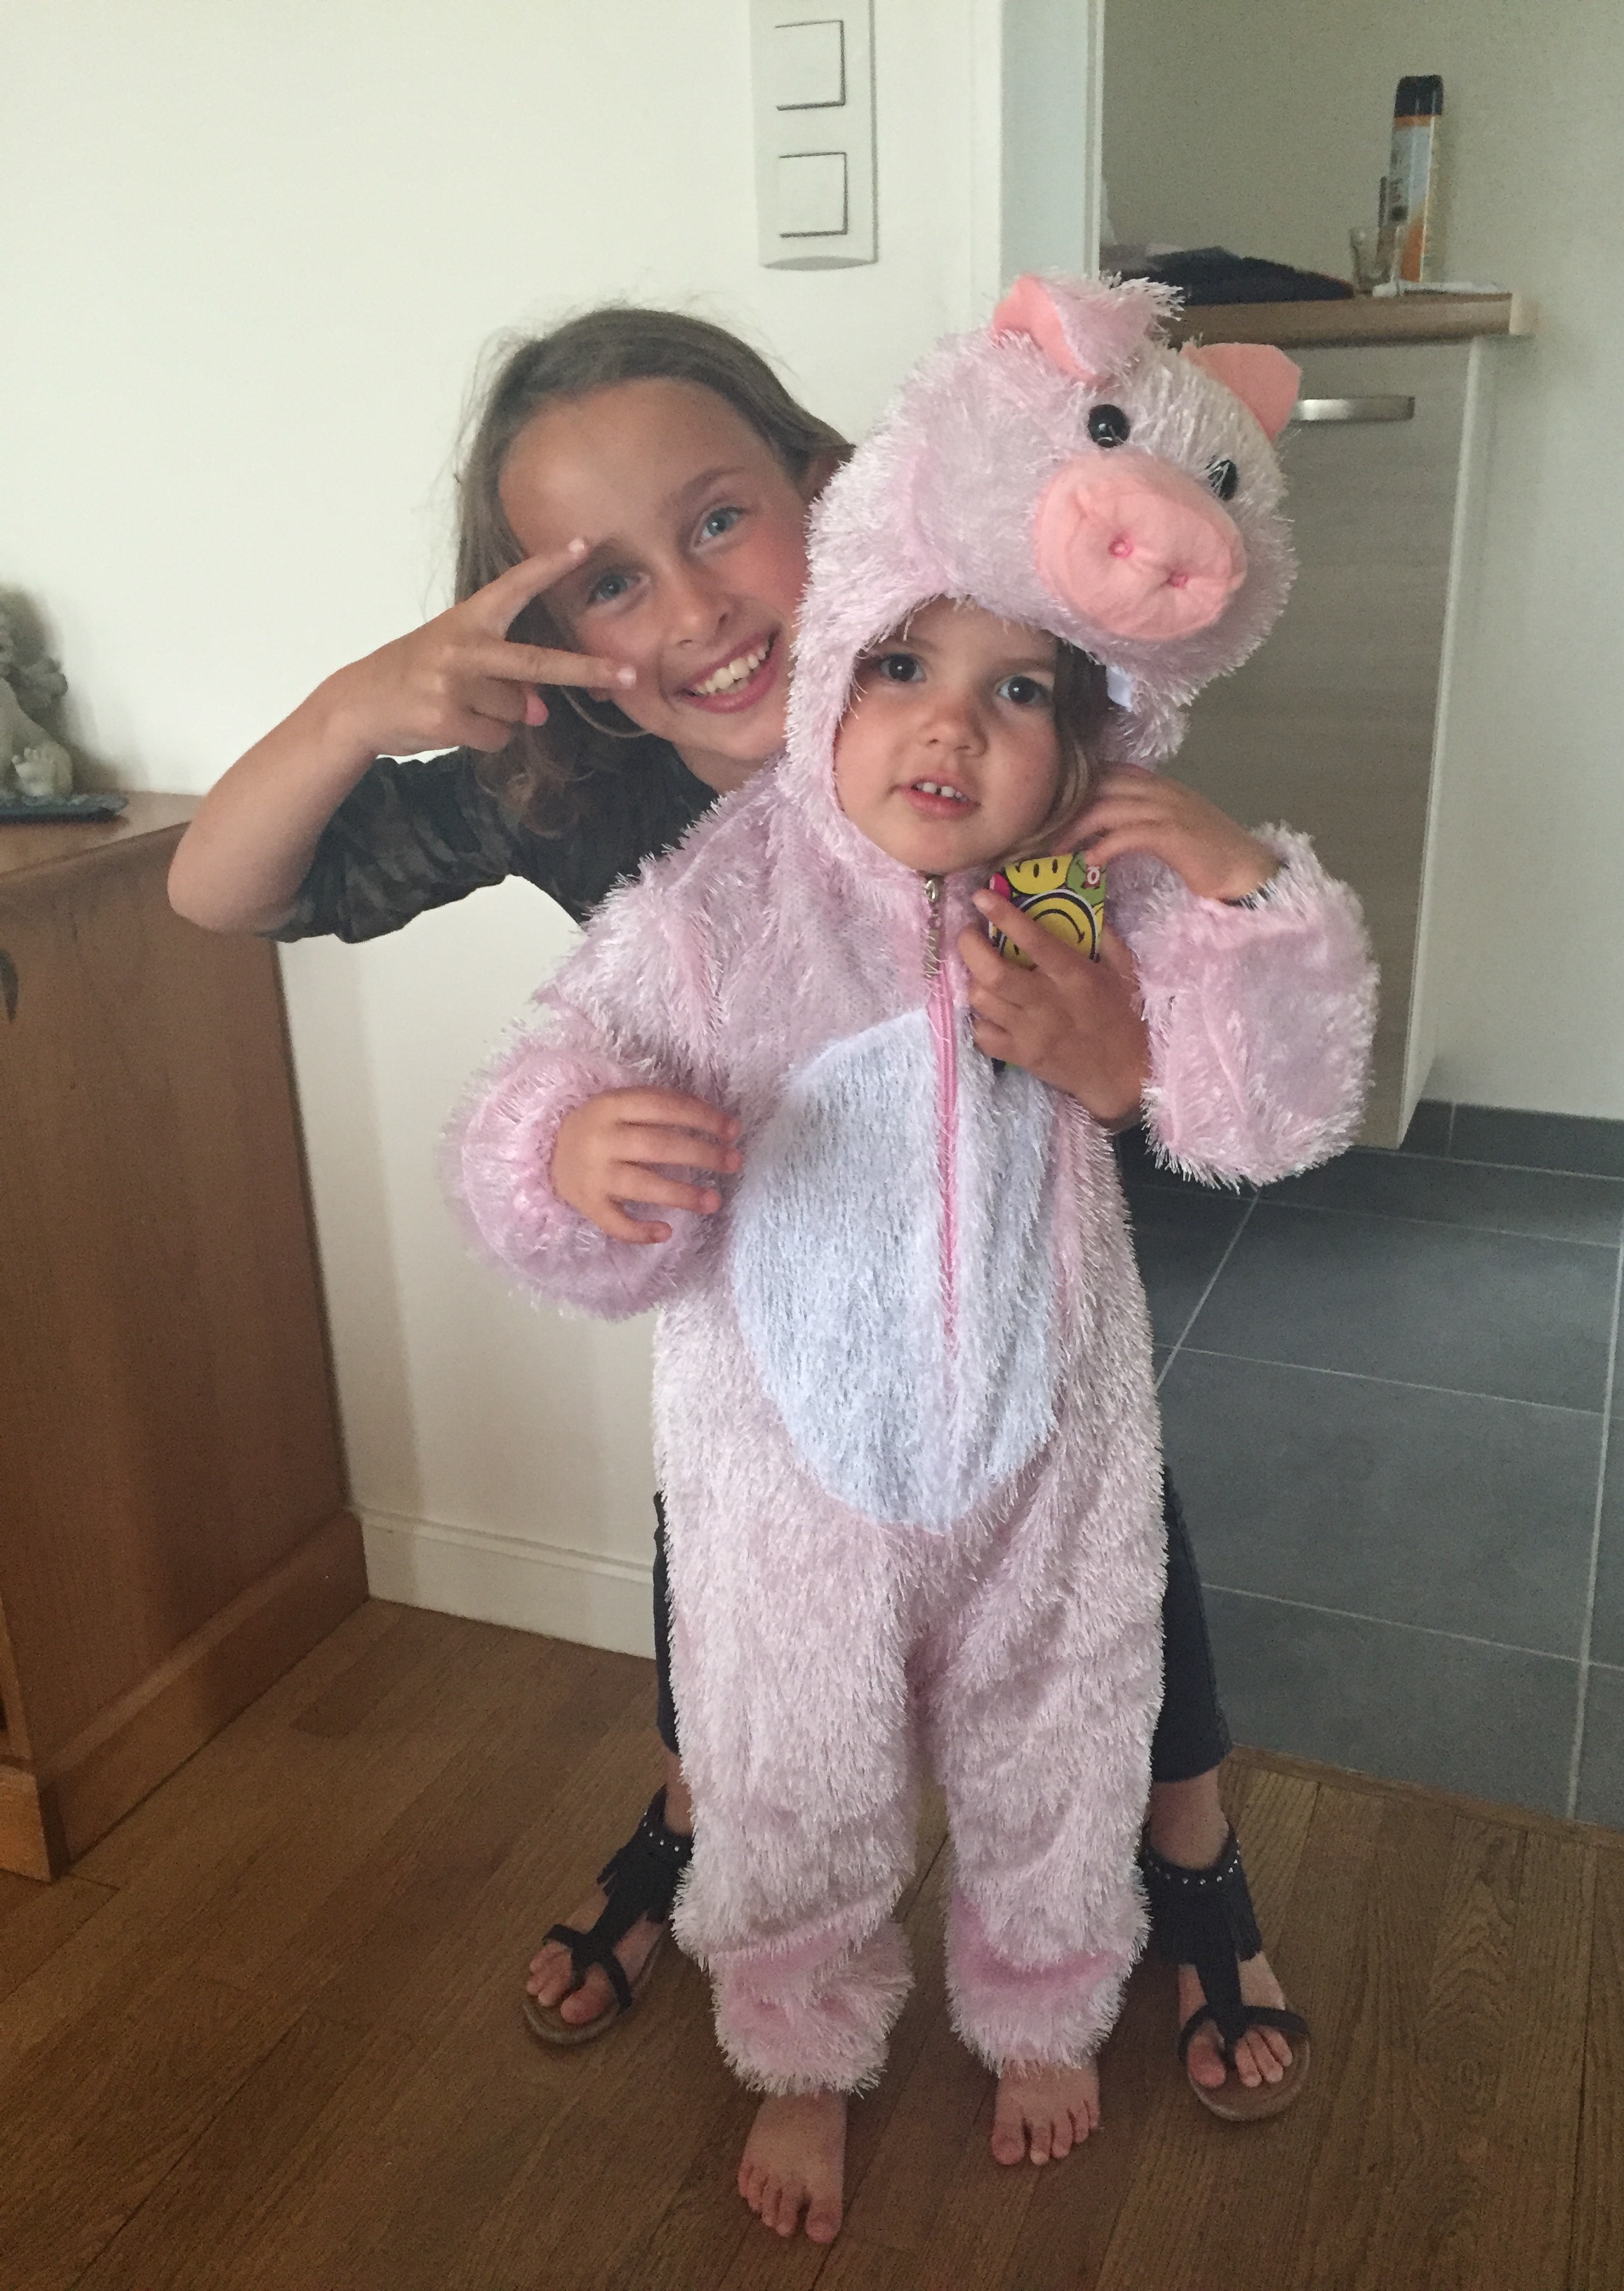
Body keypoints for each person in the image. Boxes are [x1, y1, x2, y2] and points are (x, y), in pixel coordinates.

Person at [168, 295, 1325, 2133]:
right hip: (763, 1332)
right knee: (731, 1589)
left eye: (719, 521)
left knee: (1105, 1559)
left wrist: (1120, 1066)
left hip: (1020, 1307)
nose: (695, 608)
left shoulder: (986, 694)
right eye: (610, 584)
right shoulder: (577, 787)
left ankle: (1182, 1836)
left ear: (823, 483)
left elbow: (1208, 1043)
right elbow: (220, 893)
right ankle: (705, 1817)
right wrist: (354, 709)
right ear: (561, 641)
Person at [447, 273, 1371, 2243]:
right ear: (834, 671)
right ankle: (800, 2047)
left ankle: (1048, 1999)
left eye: (1021, 691)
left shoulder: (1093, 880)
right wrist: (570, 1156)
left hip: (1050, 1460)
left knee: (1065, 1742)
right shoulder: (711, 902)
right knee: (790, 1773)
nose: (952, 723)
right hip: (787, 1488)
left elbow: (1267, 1115)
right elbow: (538, 1106)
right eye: (901, 670)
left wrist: (1239, 890)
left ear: (1093, 724)